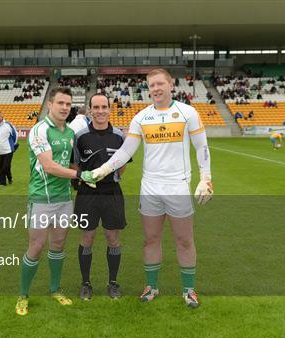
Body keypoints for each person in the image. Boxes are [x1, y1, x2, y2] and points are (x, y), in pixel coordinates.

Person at [82, 69, 213, 308]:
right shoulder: (141, 118)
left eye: (160, 83)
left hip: (178, 187)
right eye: (151, 85)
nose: (155, 88)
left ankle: (189, 290)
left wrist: (206, 178)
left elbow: (201, 147)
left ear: (171, 85)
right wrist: (101, 171)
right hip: (150, 188)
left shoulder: (188, 113)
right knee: (150, 240)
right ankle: (151, 287)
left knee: (184, 240)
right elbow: (125, 152)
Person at [15, 87, 95, 316]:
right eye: (60, 103)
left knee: (58, 245)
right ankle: (23, 294)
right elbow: (49, 166)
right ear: (50, 104)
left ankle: (55, 289)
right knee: (36, 246)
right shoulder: (39, 130)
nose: (64, 108)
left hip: (63, 199)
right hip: (41, 198)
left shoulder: (69, 133)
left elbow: (68, 164)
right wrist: (79, 176)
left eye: (68, 104)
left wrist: (92, 172)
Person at [72, 94, 129, 301]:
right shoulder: (80, 136)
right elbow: (75, 165)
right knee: (87, 238)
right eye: (96, 107)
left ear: (109, 109)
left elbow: (122, 165)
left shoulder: (119, 136)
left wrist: (110, 178)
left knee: (113, 238)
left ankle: (113, 283)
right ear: (90, 110)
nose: (100, 111)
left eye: (104, 106)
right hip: (87, 194)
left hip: (112, 192)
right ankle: (85, 283)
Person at [0, 112, 18, 186]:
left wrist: (13, 144)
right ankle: (2, 182)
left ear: (2, 116)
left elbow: (15, 135)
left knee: (5, 167)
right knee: (0, 167)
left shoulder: (8, 125)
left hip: (8, 150)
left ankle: (8, 178)